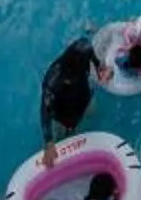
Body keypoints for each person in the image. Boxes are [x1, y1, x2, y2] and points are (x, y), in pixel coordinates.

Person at [40, 37, 98, 166]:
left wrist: (100, 68)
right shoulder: (53, 80)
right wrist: (49, 142)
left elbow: (91, 53)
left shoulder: (83, 48)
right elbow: (45, 110)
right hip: (64, 111)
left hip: (83, 96)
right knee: (66, 138)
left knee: (93, 113)